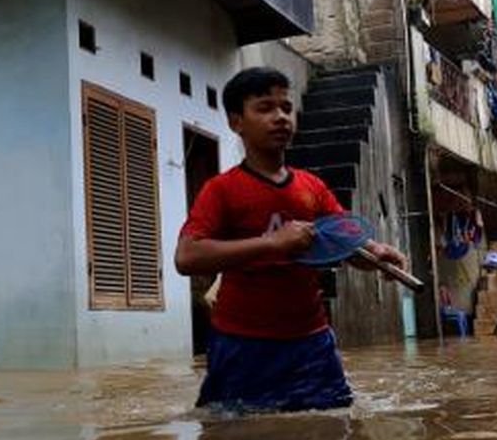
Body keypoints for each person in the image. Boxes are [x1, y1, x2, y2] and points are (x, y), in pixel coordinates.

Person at [175, 67, 408, 412]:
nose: (280, 117)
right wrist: (272, 243)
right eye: (265, 108)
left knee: (329, 439)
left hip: (311, 341)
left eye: (286, 108)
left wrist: (377, 254)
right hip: (242, 345)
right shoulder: (221, 190)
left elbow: (346, 244)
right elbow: (186, 257)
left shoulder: (312, 188)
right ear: (236, 122)